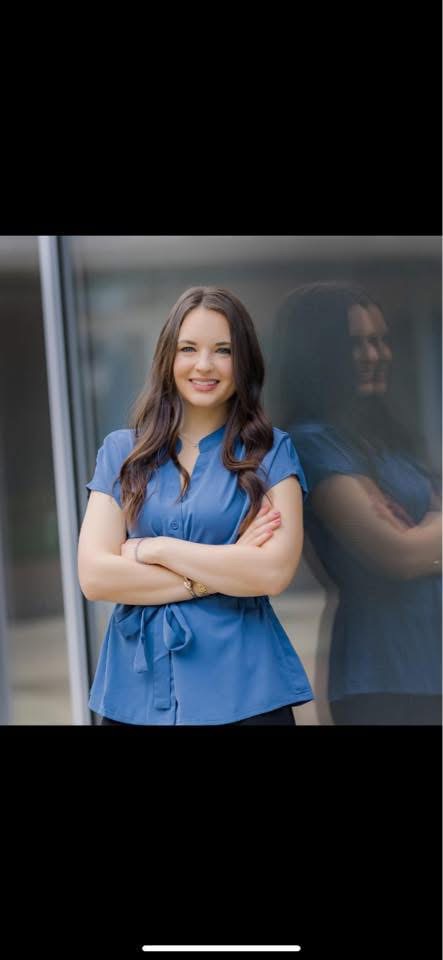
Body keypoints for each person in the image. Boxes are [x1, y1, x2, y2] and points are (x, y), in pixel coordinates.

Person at [78, 286, 313, 725]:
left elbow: (273, 571)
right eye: (189, 348)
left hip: (247, 693)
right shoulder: (120, 452)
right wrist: (225, 570)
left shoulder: (272, 452)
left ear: (243, 362)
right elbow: (95, 576)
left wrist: (154, 549)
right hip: (137, 695)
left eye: (222, 350)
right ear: (168, 357)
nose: (204, 365)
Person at [273, 281, 442, 725]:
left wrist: (427, 529)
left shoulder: (385, 441)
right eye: (357, 344)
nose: (376, 354)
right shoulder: (314, 443)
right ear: (320, 353)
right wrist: (426, 529)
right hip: (385, 673)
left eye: (380, 340)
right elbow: (399, 555)